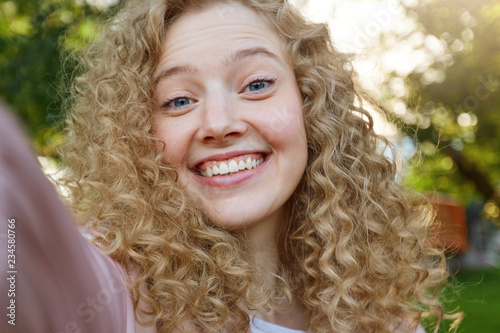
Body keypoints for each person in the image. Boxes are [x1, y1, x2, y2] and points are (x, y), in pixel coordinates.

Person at [0, 0, 461, 332]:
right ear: (136, 133)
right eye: (178, 100)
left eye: (256, 84)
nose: (219, 124)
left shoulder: (375, 310)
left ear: (312, 108)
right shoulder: (116, 287)